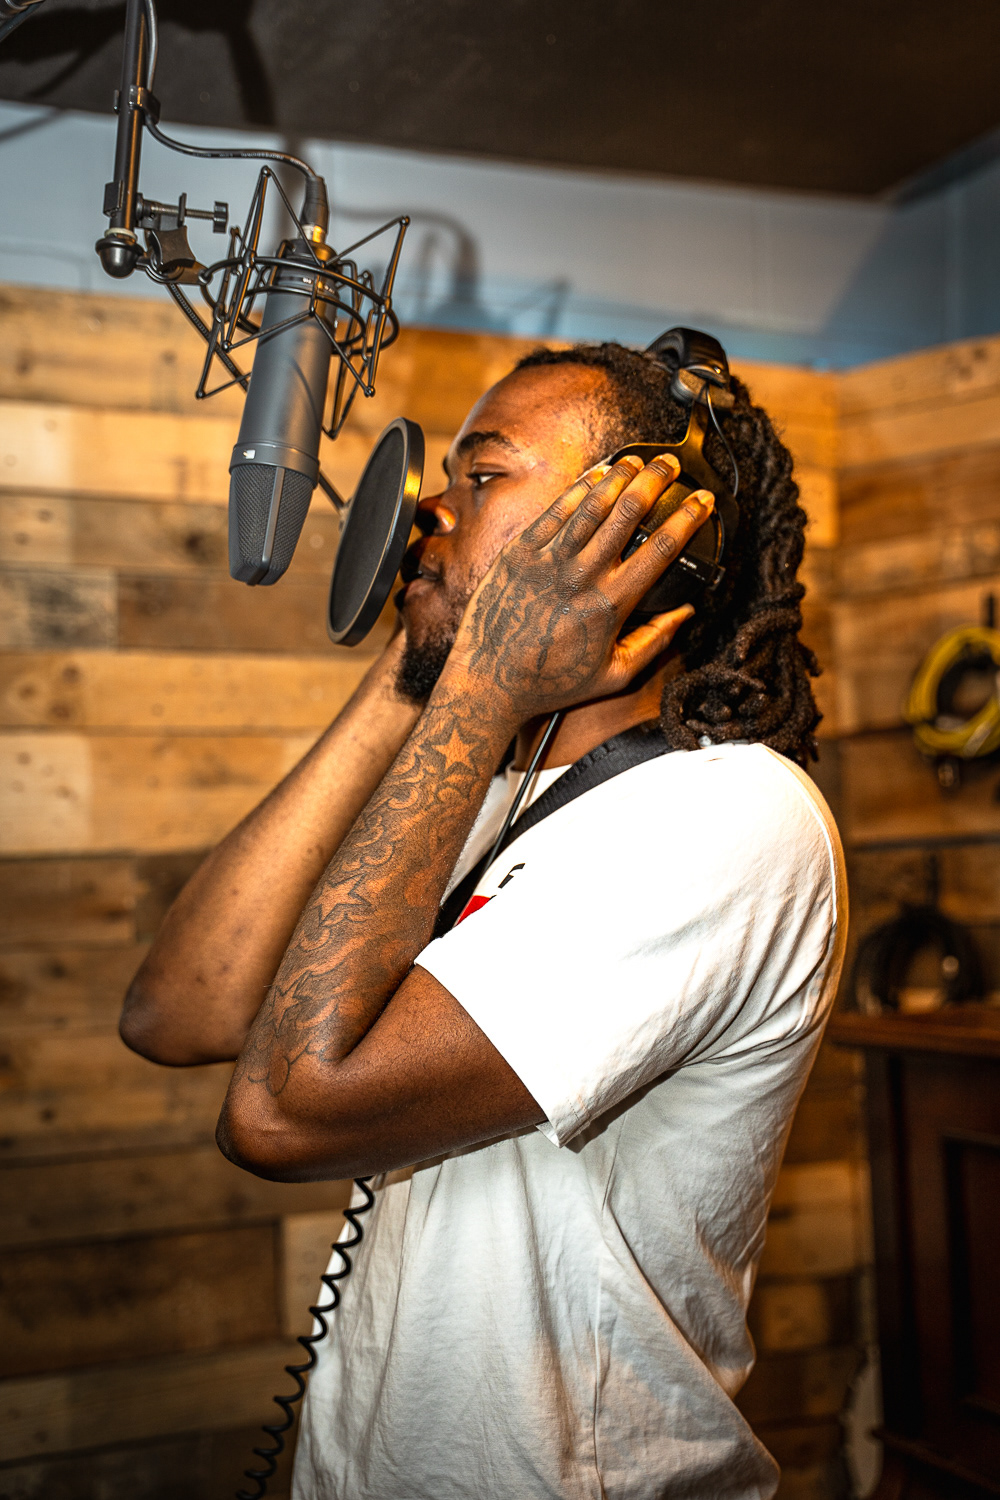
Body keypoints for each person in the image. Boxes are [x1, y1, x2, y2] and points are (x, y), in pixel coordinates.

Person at [121, 341, 847, 1500]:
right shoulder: (483, 794)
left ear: (645, 534)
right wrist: (422, 667)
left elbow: (281, 1114)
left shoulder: (725, 818)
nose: (429, 510)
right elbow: (179, 1010)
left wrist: (475, 686)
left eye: (484, 476)